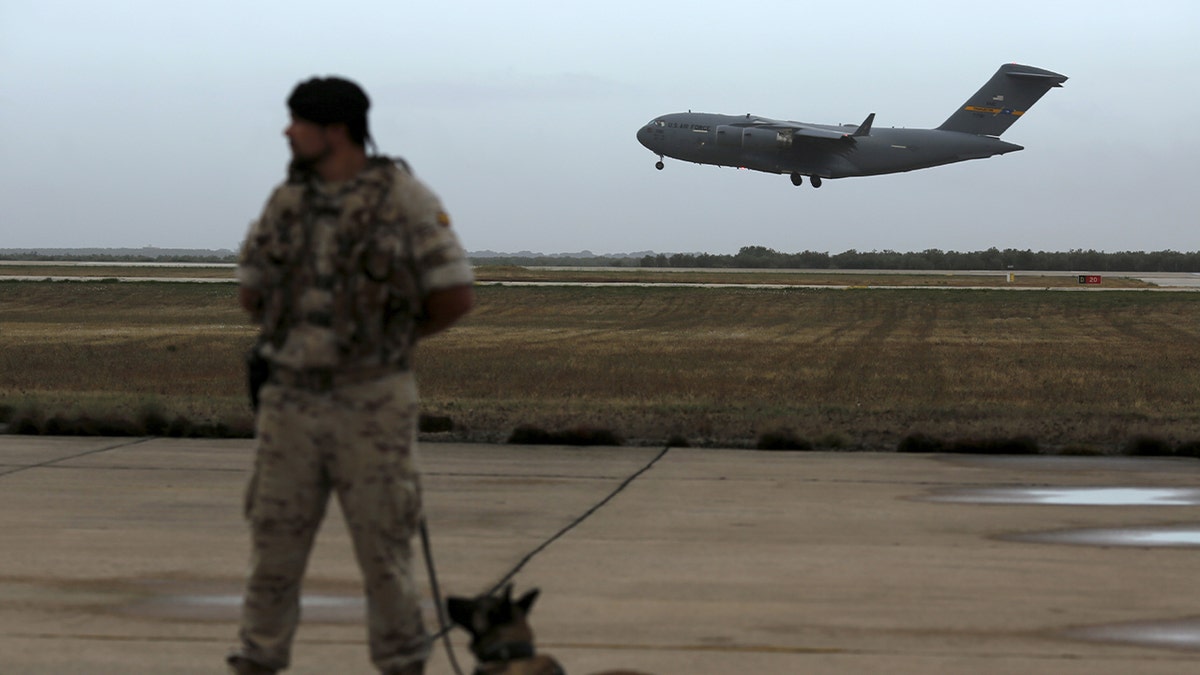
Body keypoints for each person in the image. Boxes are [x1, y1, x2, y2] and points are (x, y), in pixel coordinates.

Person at [228, 76, 474, 675]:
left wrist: (381, 346)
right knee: (273, 552)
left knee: (385, 554)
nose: (287, 132)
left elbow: (454, 295)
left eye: (298, 122)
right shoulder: (287, 203)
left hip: (371, 402)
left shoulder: (404, 199)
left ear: (334, 130)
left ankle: (400, 663)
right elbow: (252, 292)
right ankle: (257, 661)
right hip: (289, 403)